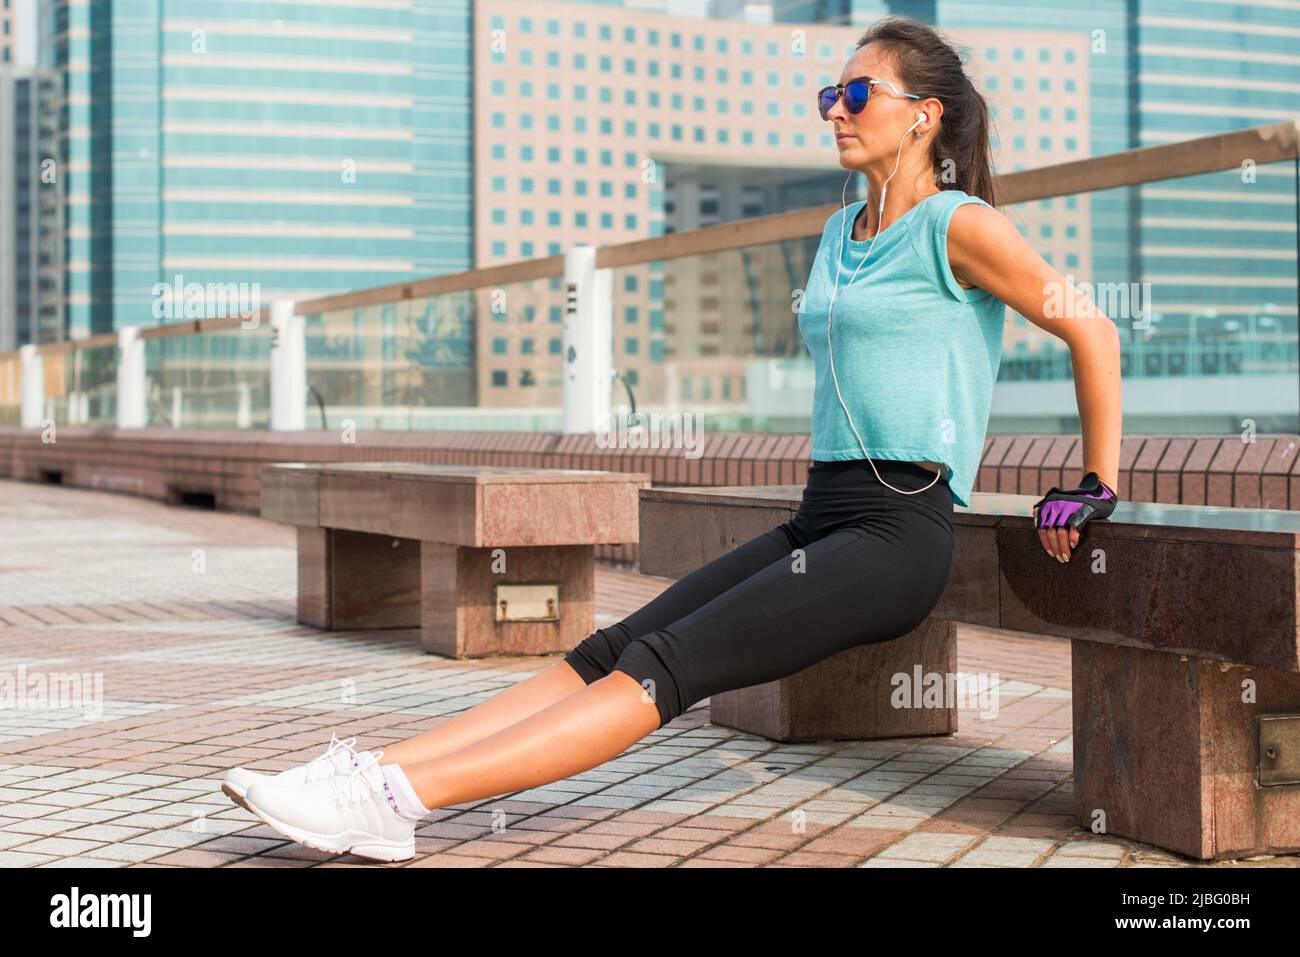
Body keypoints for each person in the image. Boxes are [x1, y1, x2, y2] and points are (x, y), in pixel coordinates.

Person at [222, 16, 1122, 862]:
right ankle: (373, 769)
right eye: (827, 97)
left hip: (897, 533)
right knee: (608, 650)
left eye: (857, 95)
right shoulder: (839, 231)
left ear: (924, 116)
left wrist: (1092, 482)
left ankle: (393, 800)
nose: (834, 113)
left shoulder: (958, 225)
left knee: (665, 668)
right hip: (822, 515)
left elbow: (1092, 328)